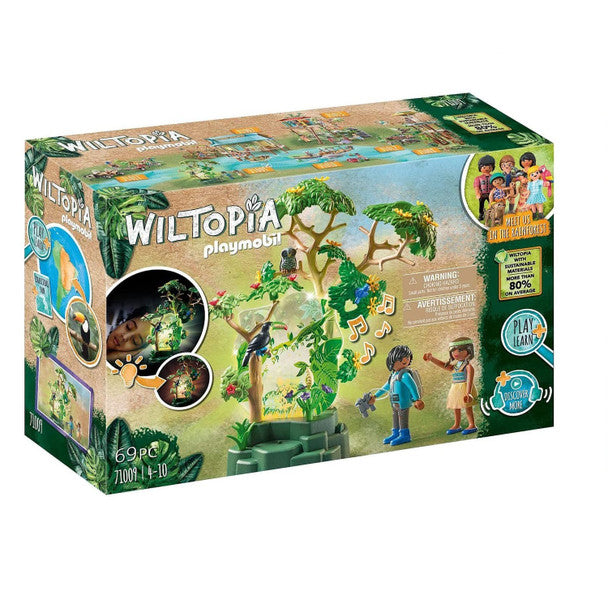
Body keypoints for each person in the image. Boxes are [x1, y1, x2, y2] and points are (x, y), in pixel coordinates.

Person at [368, 345, 424, 446]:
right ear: (392, 361)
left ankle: (405, 435)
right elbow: (386, 387)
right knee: (395, 416)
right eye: (401, 358)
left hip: (403, 402)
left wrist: (417, 399)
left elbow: (412, 386)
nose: (406, 360)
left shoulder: (405, 375)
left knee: (402, 417)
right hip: (394, 401)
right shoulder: (393, 375)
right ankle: (396, 433)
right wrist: (375, 396)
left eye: (407, 358)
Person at [423, 338, 478, 435]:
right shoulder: (456, 365)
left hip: (464, 388)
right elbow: (444, 365)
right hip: (455, 388)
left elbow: (470, 380)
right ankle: (457, 424)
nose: (456, 353)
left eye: (460, 350)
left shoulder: (468, 366)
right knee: (455, 406)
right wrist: (432, 359)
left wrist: (468, 393)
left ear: (469, 351)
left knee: (467, 407)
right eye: (453, 350)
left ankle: (472, 424)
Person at [473, 155, 495, 221]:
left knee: (491, 204)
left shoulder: (493, 177)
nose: (487, 169)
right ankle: (481, 214)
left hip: (490, 194)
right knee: (481, 204)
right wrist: (477, 193)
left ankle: (492, 214)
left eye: (489, 167)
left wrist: (494, 191)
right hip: (482, 194)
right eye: (484, 167)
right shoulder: (478, 178)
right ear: (480, 168)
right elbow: (476, 186)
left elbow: (495, 185)